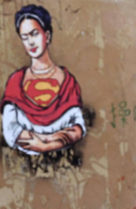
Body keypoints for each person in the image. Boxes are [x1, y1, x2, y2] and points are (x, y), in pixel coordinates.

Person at [0, 4, 86, 155]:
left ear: (47, 35)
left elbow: (77, 129)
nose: (31, 42)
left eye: (34, 34)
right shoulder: (15, 81)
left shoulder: (68, 81)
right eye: (25, 37)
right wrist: (54, 138)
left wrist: (45, 146)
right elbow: (11, 129)